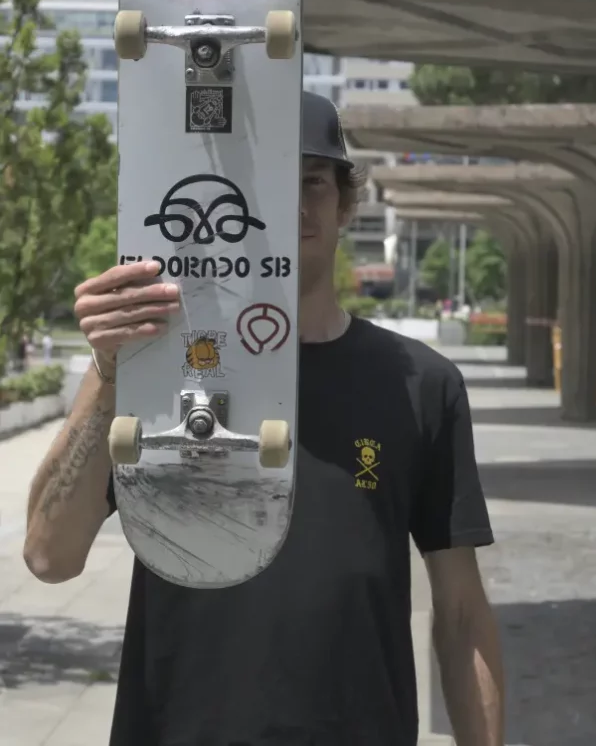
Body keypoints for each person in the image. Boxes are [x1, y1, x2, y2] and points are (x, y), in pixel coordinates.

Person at [23, 91, 504, 746]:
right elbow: (49, 555)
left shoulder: (420, 384)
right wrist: (108, 373)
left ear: (345, 205)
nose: (291, 206)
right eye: (267, 185)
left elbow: (461, 611)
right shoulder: (154, 370)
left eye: (312, 182)